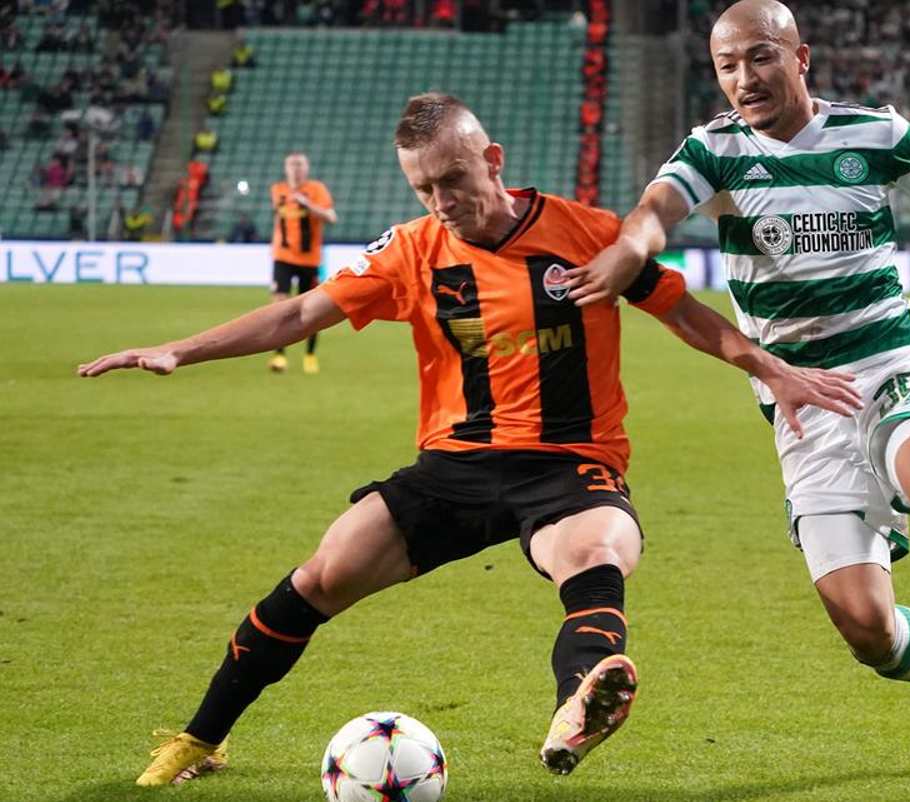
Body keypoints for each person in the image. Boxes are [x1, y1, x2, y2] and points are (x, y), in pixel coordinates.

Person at [77, 92, 860, 787]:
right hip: (451, 468)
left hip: (568, 464)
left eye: (452, 179)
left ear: (493, 159)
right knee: (319, 576)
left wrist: (770, 368)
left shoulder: (587, 234)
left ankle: (578, 707)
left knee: (598, 551)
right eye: (423, 187)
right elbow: (298, 313)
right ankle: (199, 739)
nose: (441, 200)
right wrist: (181, 349)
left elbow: (682, 312)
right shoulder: (411, 251)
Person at [567, 0, 910, 771]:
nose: (745, 78)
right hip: (800, 395)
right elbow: (653, 212)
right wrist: (628, 250)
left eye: (761, 57)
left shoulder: (878, 134)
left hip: (891, 361)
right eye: (727, 66)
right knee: (867, 631)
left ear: (800, 57)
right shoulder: (714, 149)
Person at [267, 151, 336, 374]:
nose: (296, 169)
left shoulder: (316, 189)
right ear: (286, 168)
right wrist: (273, 245)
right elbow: (279, 220)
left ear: (306, 168)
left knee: (312, 309)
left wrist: (307, 204)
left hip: (309, 259)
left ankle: (310, 354)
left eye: (300, 164)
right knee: (279, 305)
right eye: (292, 164)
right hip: (283, 256)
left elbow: (331, 217)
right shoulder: (278, 190)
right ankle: (279, 355)